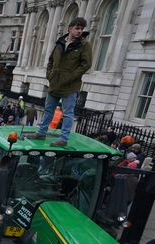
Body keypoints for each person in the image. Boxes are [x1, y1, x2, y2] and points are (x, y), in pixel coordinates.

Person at [35, 17, 92, 147]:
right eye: (77, 28)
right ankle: (41, 132)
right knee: (48, 110)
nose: (79, 31)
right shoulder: (60, 42)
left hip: (70, 86)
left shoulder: (84, 45)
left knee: (68, 113)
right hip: (55, 83)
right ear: (70, 29)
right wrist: (49, 75)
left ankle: (63, 138)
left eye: (82, 29)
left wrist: (71, 77)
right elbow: (50, 60)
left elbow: (86, 64)